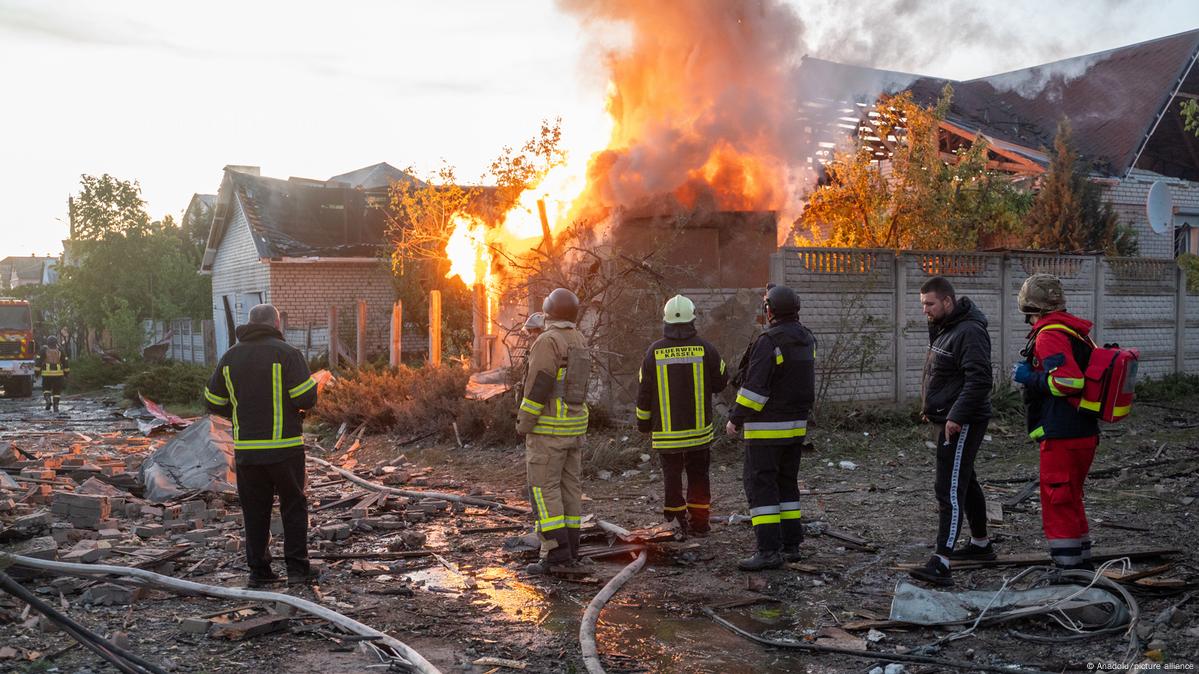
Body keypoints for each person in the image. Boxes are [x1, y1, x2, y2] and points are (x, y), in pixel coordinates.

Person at [204, 304, 320, 587]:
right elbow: (305, 398)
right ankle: (297, 570)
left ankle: (259, 572)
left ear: (250, 323)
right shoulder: (287, 354)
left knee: (255, 511)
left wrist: (239, 410)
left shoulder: (230, 357)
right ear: (276, 324)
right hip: (285, 448)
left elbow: (212, 401)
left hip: (247, 452)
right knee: (293, 506)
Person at [908, 276, 994, 587]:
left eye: (929, 304)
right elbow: (946, 377)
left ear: (948, 301)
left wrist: (955, 415)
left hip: (961, 421)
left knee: (949, 489)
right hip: (947, 418)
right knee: (966, 481)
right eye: (922, 305)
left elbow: (980, 380)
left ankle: (941, 561)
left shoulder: (968, 331)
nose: (925, 310)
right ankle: (982, 545)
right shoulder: (947, 329)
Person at [725, 285, 816, 571]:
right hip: (795, 428)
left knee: (760, 485)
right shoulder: (806, 338)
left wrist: (735, 418)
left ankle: (768, 550)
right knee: (786, 484)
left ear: (769, 310)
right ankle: (791, 545)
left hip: (766, 429)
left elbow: (755, 389)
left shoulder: (769, 341)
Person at [1012, 273, 1099, 570]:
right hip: (1083, 430)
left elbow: (1069, 382)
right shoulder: (1076, 331)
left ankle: (1068, 573)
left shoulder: (1050, 335)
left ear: (1030, 309)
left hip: (1064, 433)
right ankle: (1082, 563)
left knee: (1057, 500)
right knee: (1071, 498)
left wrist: (1030, 378)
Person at [635, 295, 728, 537]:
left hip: (667, 434)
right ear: (692, 319)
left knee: (672, 478)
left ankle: (675, 523)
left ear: (665, 320)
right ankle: (700, 523)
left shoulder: (653, 351)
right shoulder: (706, 348)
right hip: (699, 432)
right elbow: (721, 382)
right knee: (699, 475)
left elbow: (644, 392)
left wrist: (643, 423)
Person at [516, 289, 591, 574]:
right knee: (569, 488)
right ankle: (571, 548)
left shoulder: (548, 341)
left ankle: (555, 555)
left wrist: (524, 422)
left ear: (548, 312)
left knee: (544, 488)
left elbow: (539, 385)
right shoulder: (579, 339)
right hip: (573, 428)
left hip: (548, 429)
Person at [34, 336, 69, 413]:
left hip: (46, 374)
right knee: (57, 391)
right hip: (58, 375)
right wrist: (66, 374)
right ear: (56, 342)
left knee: (46, 389)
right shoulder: (61, 350)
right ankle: (56, 406)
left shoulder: (43, 350)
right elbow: (65, 362)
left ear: (48, 342)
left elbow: (38, 362)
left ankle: (48, 400)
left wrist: (36, 373)